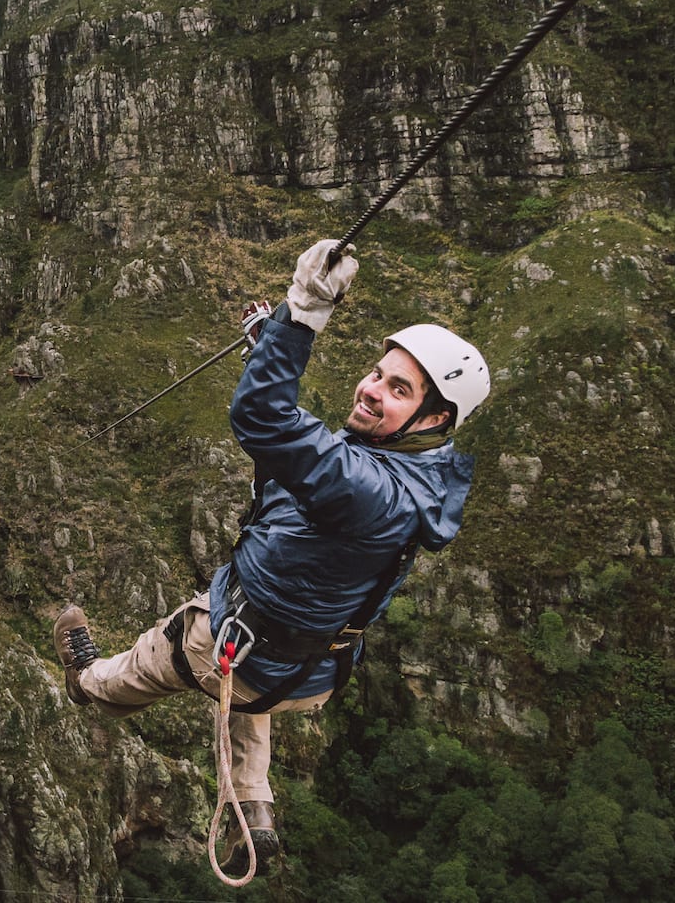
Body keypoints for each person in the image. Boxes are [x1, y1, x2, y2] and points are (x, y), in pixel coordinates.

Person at [54, 239, 489, 875]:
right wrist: (271, 347)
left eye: (398, 389)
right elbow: (311, 464)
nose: (371, 389)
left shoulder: (375, 495)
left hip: (244, 646)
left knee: (166, 653)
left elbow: (265, 420)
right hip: (311, 670)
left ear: (434, 417)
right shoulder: (419, 476)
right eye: (377, 372)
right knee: (250, 680)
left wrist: (303, 312)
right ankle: (254, 809)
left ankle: (88, 687)